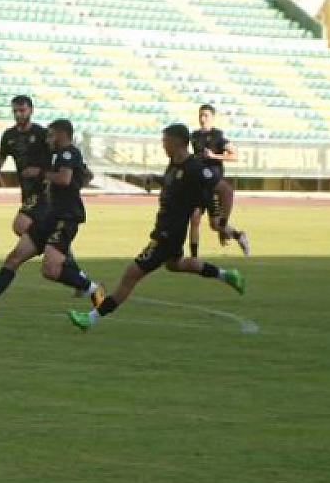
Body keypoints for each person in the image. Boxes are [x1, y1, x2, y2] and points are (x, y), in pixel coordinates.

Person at [69, 123, 246, 332]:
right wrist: (154, 179)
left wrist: (223, 222)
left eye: (165, 141)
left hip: (168, 234)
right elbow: (173, 183)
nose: (163, 145)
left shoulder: (194, 167)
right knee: (175, 264)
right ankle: (227, 275)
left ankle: (90, 318)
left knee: (131, 275)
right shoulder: (174, 164)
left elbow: (225, 190)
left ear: (177, 142)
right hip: (167, 229)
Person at [0, 119, 104, 313]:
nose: (49, 139)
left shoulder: (68, 152)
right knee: (14, 257)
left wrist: (40, 173)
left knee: (49, 270)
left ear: (62, 135)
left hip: (66, 218)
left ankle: (92, 288)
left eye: (52, 135)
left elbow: (64, 178)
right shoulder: (58, 154)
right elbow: (83, 175)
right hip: (49, 216)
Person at [188, 103, 248, 258]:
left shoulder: (218, 136)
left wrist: (215, 156)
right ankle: (194, 257)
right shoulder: (194, 136)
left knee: (216, 225)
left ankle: (239, 236)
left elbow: (234, 155)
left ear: (212, 118)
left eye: (206, 115)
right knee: (194, 218)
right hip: (198, 185)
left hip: (214, 185)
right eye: (201, 115)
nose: (202, 118)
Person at [0, 95, 52, 237]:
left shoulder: (42, 134)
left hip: (44, 189)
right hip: (26, 189)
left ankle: (53, 247)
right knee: (40, 225)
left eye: (22, 110)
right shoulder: (9, 135)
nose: (18, 114)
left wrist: (46, 175)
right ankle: (58, 249)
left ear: (31, 110)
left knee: (21, 225)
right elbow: (2, 156)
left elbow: (56, 157)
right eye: (15, 111)